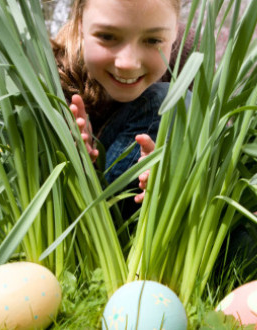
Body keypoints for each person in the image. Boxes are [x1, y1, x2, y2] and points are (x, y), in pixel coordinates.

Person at [51, 0, 192, 205]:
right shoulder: (56, 72)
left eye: (153, 40)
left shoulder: (189, 56)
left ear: (174, 32)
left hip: (150, 210)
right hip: (84, 204)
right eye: (107, 36)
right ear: (80, 23)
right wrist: (73, 160)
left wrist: (178, 174)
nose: (127, 63)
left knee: (173, 100)